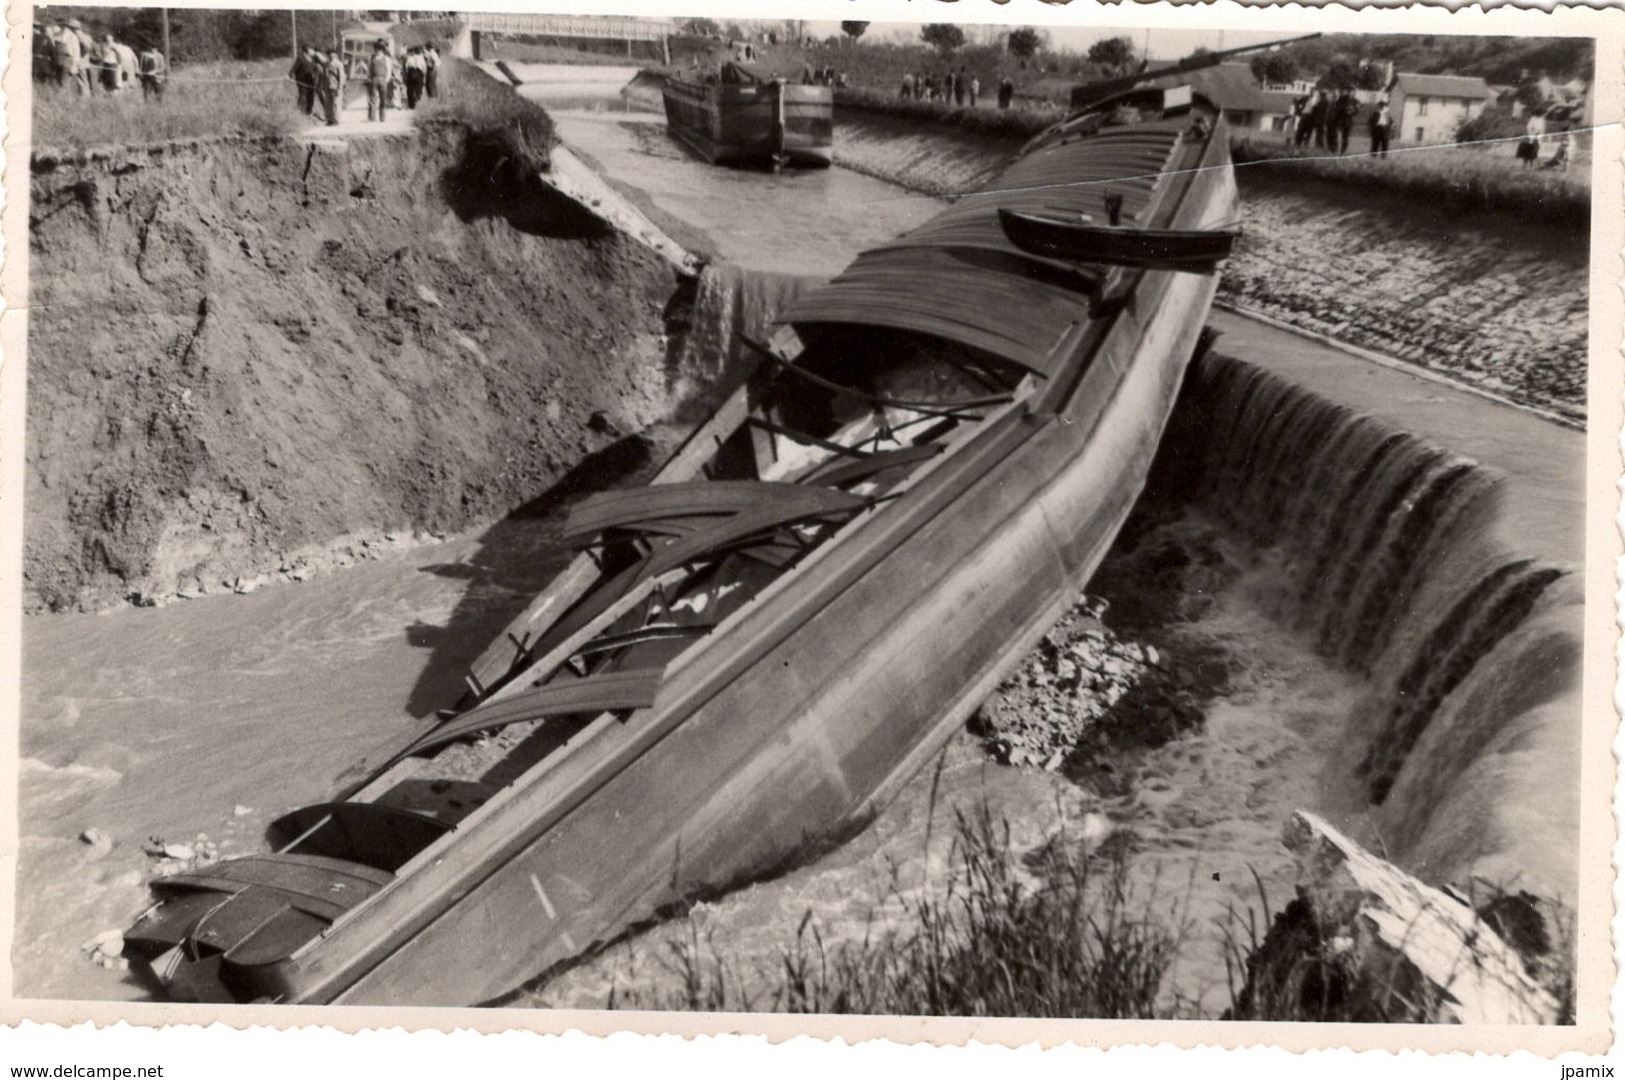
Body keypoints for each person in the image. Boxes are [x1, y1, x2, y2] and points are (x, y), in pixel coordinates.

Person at [367, 38, 395, 122]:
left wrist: (386, 80)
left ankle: (382, 117)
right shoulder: (372, 58)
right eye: (376, 49)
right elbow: (369, 69)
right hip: (374, 79)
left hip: (383, 79)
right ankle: (372, 118)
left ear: (382, 50)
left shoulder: (386, 59)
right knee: (373, 99)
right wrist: (369, 77)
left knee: (383, 99)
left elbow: (389, 70)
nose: (377, 51)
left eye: (379, 49)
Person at [319, 49, 346, 125]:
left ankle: (336, 120)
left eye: (333, 55)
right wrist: (323, 85)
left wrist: (340, 87)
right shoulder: (327, 64)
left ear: (336, 56)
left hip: (335, 86)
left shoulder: (339, 64)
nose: (331, 56)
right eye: (330, 55)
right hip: (327, 86)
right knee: (328, 103)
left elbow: (341, 76)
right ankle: (329, 119)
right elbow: (325, 75)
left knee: (336, 103)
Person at [289, 45, 317, 115]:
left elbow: (316, 69)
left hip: (311, 80)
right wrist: (290, 74)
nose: (313, 51)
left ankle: (308, 112)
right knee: (303, 95)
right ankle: (301, 111)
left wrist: (315, 75)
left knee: (311, 95)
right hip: (302, 80)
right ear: (307, 50)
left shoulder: (313, 59)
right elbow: (294, 67)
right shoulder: (301, 58)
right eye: (312, 49)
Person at [1330, 90, 1359, 154]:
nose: (1349, 92)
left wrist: (1351, 111)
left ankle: (1342, 152)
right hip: (1339, 120)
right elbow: (1336, 107)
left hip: (1348, 121)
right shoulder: (1341, 98)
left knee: (1345, 138)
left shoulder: (1355, 101)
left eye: (1351, 91)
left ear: (1353, 92)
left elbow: (1357, 111)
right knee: (1335, 135)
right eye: (1348, 90)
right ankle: (1334, 150)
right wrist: (1344, 107)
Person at [403, 45, 426, 110]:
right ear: (420, 52)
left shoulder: (409, 58)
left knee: (410, 89)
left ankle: (411, 105)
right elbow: (424, 68)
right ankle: (417, 102)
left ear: (414, 52)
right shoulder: (422, 58)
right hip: (419, 73)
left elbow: (406, 67)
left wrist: (406, 75)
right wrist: (424, 75)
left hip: (411, 73)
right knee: (418, 89)